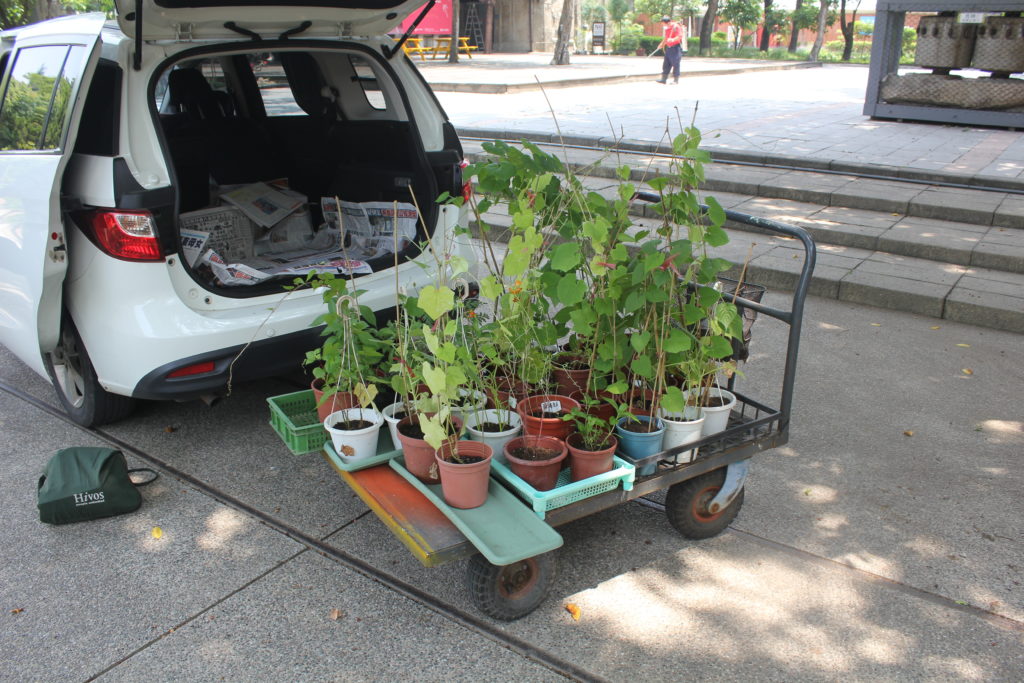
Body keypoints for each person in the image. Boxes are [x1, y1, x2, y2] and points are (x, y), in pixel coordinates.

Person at [655, 16, 683, 84]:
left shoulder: (676, 27)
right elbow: (666, 37)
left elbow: (679, 36)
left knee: (675, 63)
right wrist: (662, 44)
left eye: (663, 24)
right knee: (666, 63)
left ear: (667, 22)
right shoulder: (668, 29)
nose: (663, 25)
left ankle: (676, 80)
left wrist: (673, 39)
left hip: (675, 47)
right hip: (669, 47)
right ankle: (664, 79)